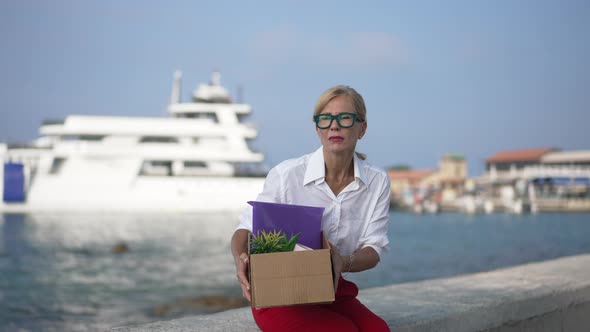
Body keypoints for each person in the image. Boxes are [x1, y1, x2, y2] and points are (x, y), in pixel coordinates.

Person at [231, 85, 391, 332]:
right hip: (278, 294)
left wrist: (343, 262)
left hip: (331, 291)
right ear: (318, 128)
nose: (334, 126)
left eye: (345, 118)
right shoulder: (286, 175)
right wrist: (240, 259)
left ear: (362, 128)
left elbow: (375, 247)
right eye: (325, 119)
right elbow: (245, 229)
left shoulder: (377, 181)